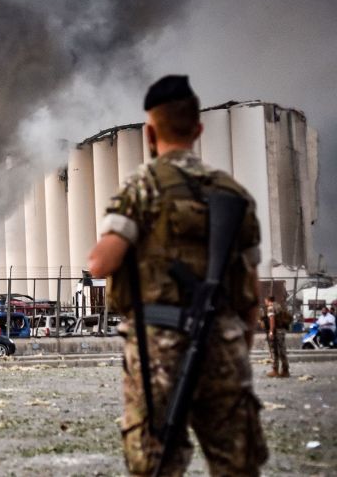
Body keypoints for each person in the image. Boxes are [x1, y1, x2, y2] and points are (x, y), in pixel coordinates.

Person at [88, 75, 267, 476]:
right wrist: (237, 341)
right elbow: (251, 291)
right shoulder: (235, 194)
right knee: (236, 463)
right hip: (222, 340)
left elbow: (101, 263)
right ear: (199, 129)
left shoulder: (143, 186)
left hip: (159, 348)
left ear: (150, 132)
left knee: (156, 461)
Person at [263, 296, 289, 378]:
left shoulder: (270, 307)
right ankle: (285, 370)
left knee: (274, 351)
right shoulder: (278, 306)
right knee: (282, 351)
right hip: (282, 331)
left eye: (265, 301)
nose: (265, 303)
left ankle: (275, 370)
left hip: (276, 331)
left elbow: (272, 319)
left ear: (268, 300)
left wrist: (271, 331)